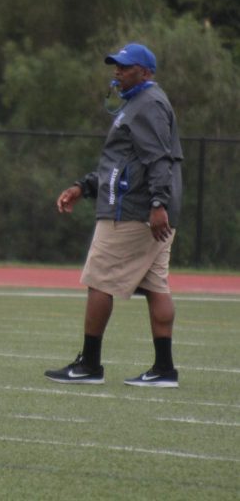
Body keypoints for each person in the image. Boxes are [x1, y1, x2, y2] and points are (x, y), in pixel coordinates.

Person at [45, 42, 183, 388]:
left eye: (125, 67)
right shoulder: (138, 103)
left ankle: (90, 364)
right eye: (116, 67)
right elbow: (123, 161)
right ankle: (164, 369)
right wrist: (84, 186)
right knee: (155, 286)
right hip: (146, 207)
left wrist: (156, 204)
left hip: (134, 210)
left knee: (99, 281)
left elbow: (157, 160)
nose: (117, 72)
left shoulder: (147, 104)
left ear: (146, 72)